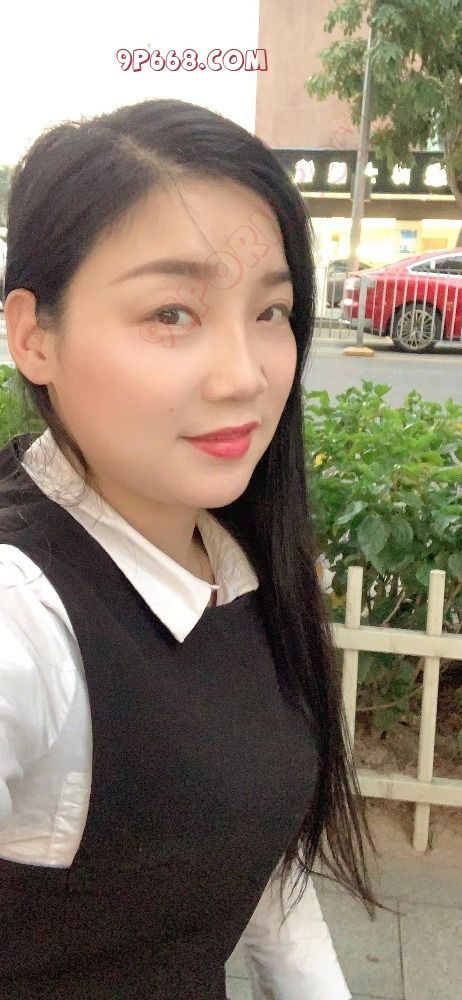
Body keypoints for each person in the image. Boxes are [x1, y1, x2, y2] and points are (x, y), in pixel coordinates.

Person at [0, 98, 395, 999]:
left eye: (272, 311)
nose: (244, 375)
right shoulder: (21, 617)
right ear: (35, 336)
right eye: (172, 312)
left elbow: (262, 869)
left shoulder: (238, 559)